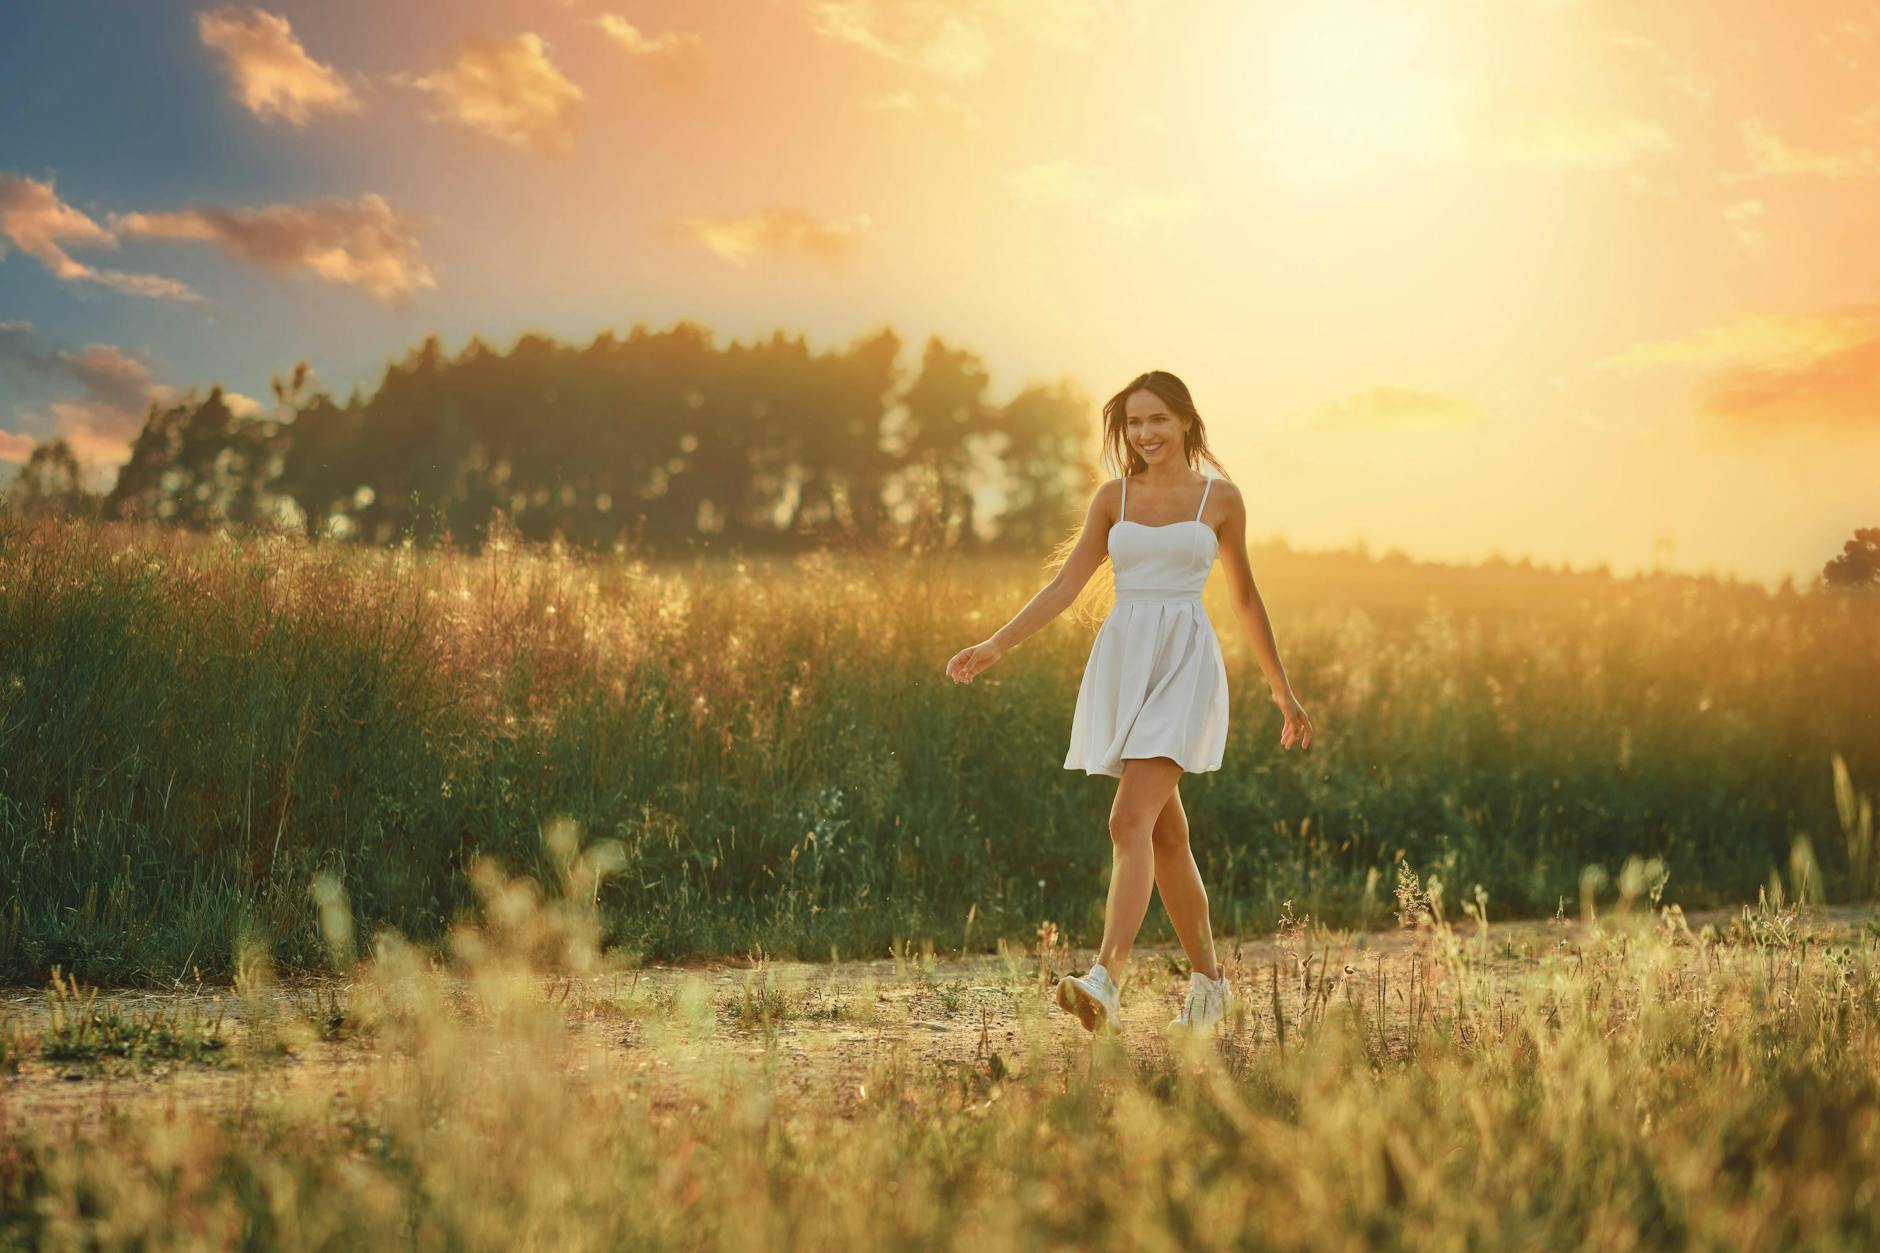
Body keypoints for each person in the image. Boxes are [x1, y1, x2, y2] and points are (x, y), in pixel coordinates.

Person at [944, 370, 1313, 1035]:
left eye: (1158, 420)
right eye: (1134, 423)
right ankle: (1210, 986)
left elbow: (1246, 599)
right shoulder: (1112, 497)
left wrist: (1282, 692)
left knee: (1126, 820)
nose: (1145, 434)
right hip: (1124, 659)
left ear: (1186, 423)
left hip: (1185, 663)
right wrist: (997, 643)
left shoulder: (1220, 499)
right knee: (1166, 834)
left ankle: (1106, 977)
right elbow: (1065, 583)